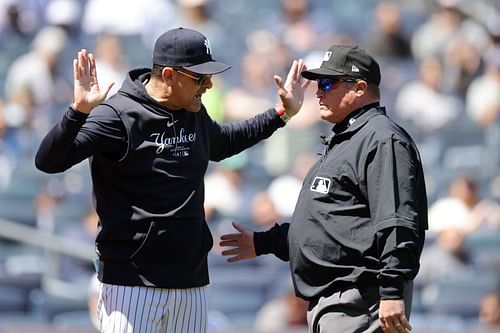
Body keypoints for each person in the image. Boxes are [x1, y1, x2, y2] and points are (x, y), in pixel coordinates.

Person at [34, 27, 310, 333]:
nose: (209, 84)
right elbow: (49, 161)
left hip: (191, 282)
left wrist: (282, 113)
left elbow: (225, 142)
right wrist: (79, 110)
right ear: (168, 75)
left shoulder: (191, 109)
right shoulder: (119, 115)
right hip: (132, 284)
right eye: (200, 77)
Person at [220, 45, 428, 333]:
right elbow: (330, 228)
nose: (318, 91)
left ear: (360, 88)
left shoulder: (381, 139)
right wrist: (265, 242)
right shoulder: (346, 139)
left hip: (360, 301)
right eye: (319, 83)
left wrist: (392, 292)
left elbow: (398, 221)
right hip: (337, 303)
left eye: (328, 83)